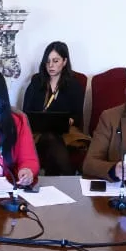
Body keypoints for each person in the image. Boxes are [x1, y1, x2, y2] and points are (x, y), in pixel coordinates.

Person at [21, 41, 87, 176]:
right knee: (50, 137)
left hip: (66, 133)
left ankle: (55, 179)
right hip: (38, 134)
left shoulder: (74, 84)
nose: (51, 65)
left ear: (64, 61)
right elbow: (26, 111)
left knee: (53, 140)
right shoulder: (36, 82)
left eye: (55, 61)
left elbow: (77, 115)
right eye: (47, 61)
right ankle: (68, 178)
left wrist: (69, 121)